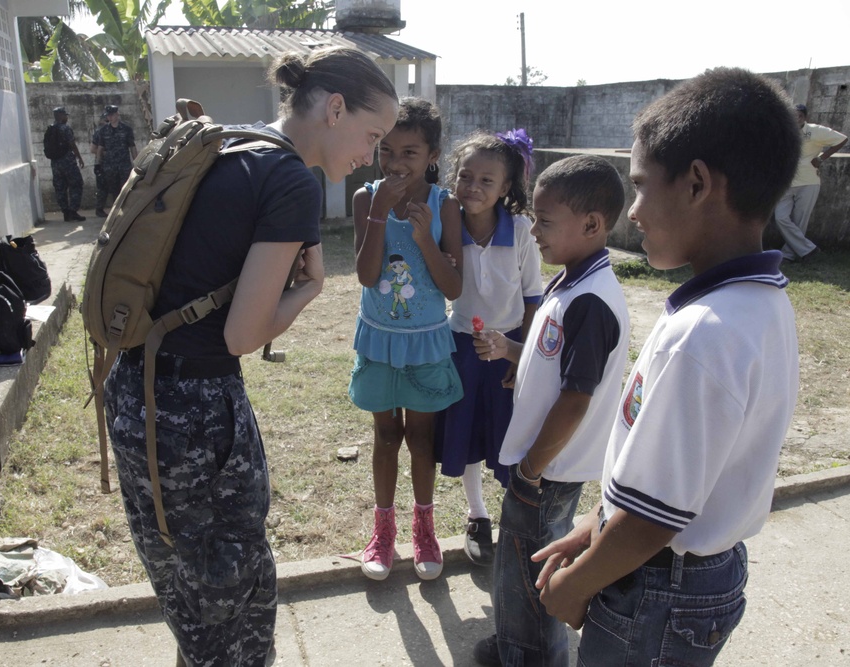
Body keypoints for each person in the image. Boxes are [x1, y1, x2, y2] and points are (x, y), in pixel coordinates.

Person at [102, 47, 398, 666]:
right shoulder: (289, 178)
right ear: (335, 108)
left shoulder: (236, 144)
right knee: (226, 605)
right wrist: (310, 288)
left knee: (194, 591)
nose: (371, 155)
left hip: (138, 387)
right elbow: (243, 335)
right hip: (193, 411)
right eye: (372, 136)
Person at [533, 67, 802, 667]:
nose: (633, 211)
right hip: (698, 573)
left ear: (697, 183)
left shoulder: (703, 335)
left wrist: (576, 585)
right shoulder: (761, 302)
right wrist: (597, 529)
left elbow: (653, 524)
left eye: (639, 185)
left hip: (657, 588)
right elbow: (679, 487)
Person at [471, 154, 630, 666]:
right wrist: (511, 350)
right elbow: (554, 360)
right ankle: (511, 644)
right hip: (539, 464)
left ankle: (533, 655)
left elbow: (576, 398)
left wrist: (533, 469)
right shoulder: (571, 280)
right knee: (516, 564)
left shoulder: (591, 301)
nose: (533, 230)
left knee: (532, 571)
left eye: (543, 221)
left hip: (548, 470)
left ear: (591, 224)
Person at [350, 97, 464, 582]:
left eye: (410, 153)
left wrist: (423, 240)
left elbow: (454, 287)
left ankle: (423, 525)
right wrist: (378, 214)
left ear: (432, 155)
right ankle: (383, 530)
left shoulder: (446, 205)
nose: (396, 163)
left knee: (421, 436)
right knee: (385, 435)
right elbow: (366, 273)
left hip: (425, 342)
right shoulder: (365, 198)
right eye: (387, 151)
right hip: (378, 339)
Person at [433, 128, 542, 567]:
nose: (473, 187)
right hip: (462, 345)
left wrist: (519, 353)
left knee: (508, 433)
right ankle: (477, 515)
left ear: (505, 188)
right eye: (465, 176)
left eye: (486, 181)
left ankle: (516, 517)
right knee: (469, 431)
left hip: (509, 347)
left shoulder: (519, 232)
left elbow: (534, 299)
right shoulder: (446, 226)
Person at [772, 103, 847, 262]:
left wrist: (821, 158)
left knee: (800, 221)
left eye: (799, 115)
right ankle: (809, 250)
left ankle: (789, 255)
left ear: (805, 117)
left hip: (808, 181)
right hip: (787, 182)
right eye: (792, 115)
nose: (795, 118)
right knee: (780, 217)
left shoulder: (815, 130)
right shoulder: (785, 133)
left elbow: (842, 139)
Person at [49, 107, 86, 222]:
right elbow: (72, 144)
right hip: (68, 163)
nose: (66, 117)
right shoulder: (65, 128)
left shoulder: (50, 129)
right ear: (60, 115)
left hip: (55, 164)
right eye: (65, 115)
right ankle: (73, 211)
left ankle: (65, 212)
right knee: (76, 184)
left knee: (60, 188)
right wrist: (79, 158)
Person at [95, 104, 137, 203]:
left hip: (124, 165)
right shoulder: (104, 130)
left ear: (117, 114)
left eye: (112, 115)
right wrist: (97, 163)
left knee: (126, 189)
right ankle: (116, 211)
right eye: (108, 115)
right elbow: (100, 148)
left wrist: (136, 162)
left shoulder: (126, 129)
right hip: (110, 166)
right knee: (114, 191)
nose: (110, 117)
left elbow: (132, 147)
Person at [91, 114, 109, 218]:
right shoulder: (100, 132)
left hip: (114, 165)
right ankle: (99, 209)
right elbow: (93, 149)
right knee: (102, 188)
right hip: (101, 164)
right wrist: (105, 153)